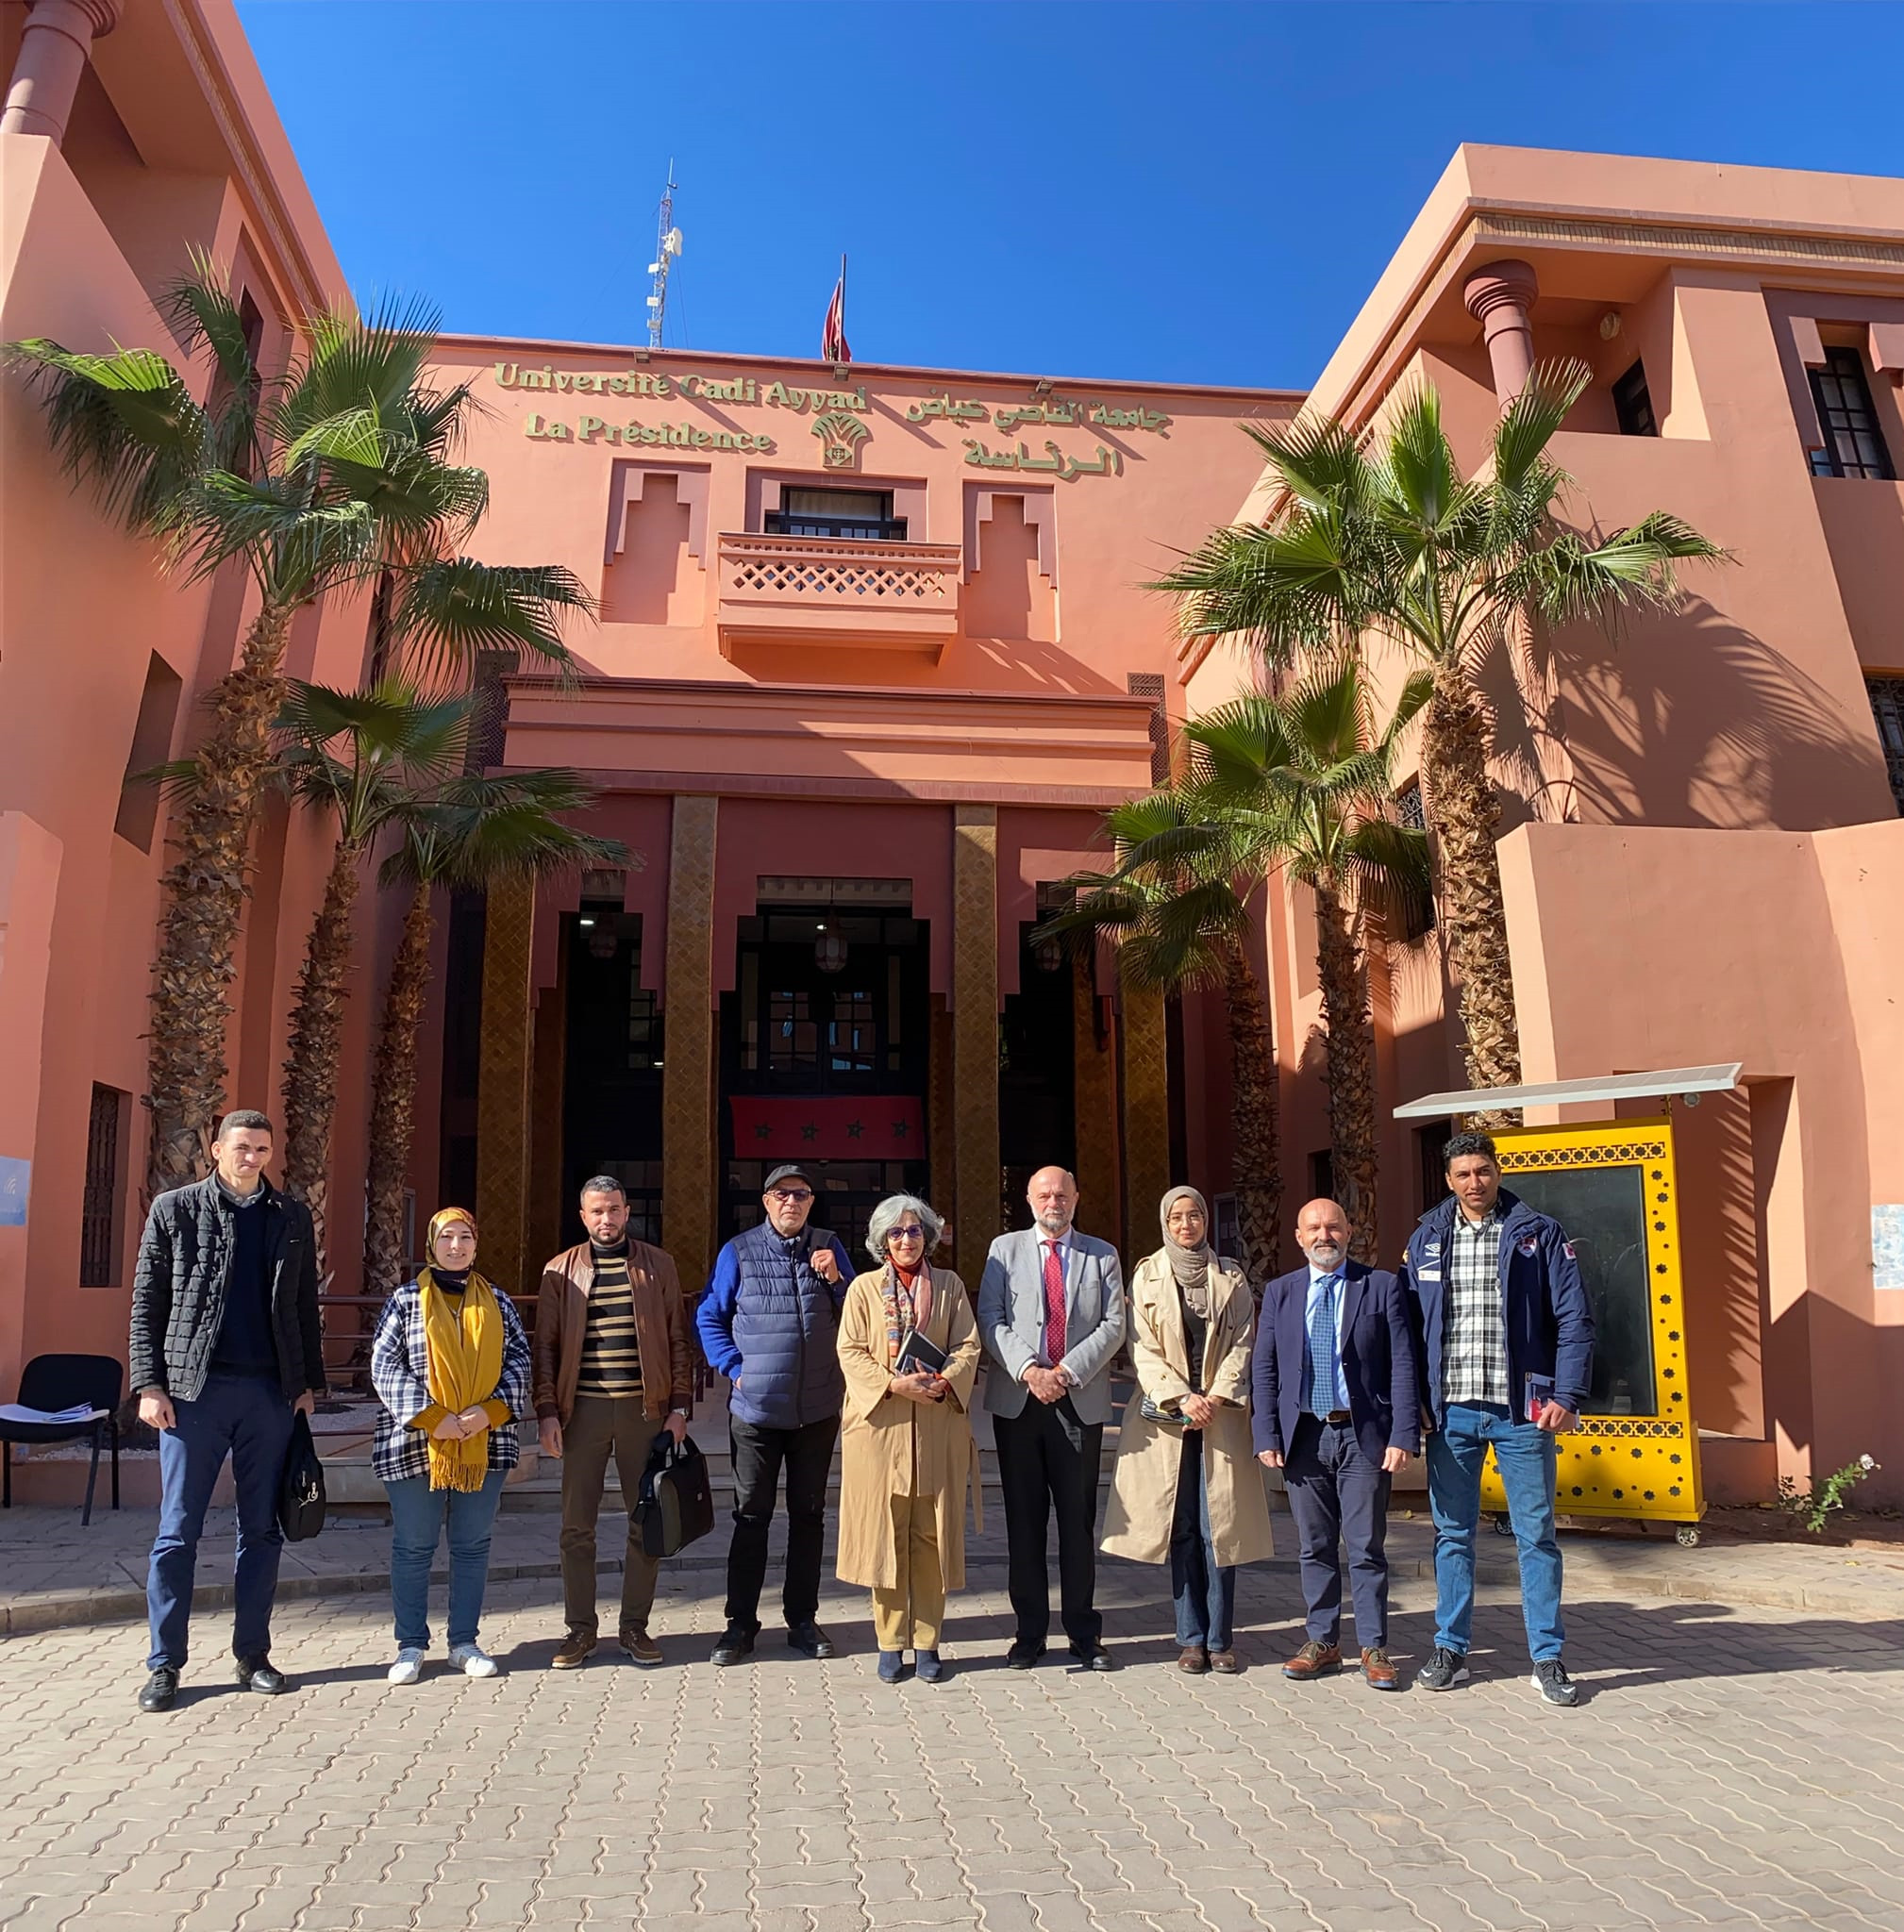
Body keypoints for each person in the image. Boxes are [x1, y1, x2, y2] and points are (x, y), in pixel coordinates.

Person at [128, 1109, 325, 1713]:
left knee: (261, 1529)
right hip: (194, 1395)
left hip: (269, 1394)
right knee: (177, 1531)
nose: (252, 1158)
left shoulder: (290, 1216)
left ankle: (253, 1656)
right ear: (216, 1150)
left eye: (262, 1149)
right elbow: (147, 1301)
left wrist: (306, 1385)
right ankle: (165, 1664)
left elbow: (303, 1304)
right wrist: (149, 1384)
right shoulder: (175, 1209)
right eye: (241, 1147)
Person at [1401, 1131, 1595, 1707]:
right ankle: (1450, 1648)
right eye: (1463, 1174)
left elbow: (1574, 1319)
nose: (1474, 1182)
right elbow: (1406, 1329)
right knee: (1452, 1536)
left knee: (1537, 1536)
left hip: (1522, 1415)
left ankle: (1547, 1657)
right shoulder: (1426, 1239)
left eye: (1483, 1170)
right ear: (1448, 1180)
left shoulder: (1539, 1233)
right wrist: (1414, 1403)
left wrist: (1567, 1394)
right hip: (1452, 1413)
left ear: (1498, 1171)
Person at [1103, 1186, 1272, 1674]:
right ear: (1165, 1223)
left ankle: (1220, 1640)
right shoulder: (1147, 1276)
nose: (1186, 1225)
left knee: (1220, 1530)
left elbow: (1244, 1342)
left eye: (1194, 1215)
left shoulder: (1231, 1277)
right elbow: (1141, 1347)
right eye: (1176, 1217)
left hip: (1220, 1415)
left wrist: (1215, 1396)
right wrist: (1182, 1397)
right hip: (1168, 1419)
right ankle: (1191, 1639)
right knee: (1181, 1528)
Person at [1253, 1197, 1419, 1690]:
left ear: (1349, 1233)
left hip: (1363, 1436)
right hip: (1304, 1437)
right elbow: (1265, 1368)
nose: (1324, 1236)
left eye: (1333, 1227)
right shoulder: (1281, 1292)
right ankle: (1322, 1641)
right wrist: (1266, 1433)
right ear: (1299, 1238)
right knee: (1315, 1546)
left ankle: (1374, 1646)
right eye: (1314, 1229)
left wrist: (1403, 1434)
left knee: (1366, 1546)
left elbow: (1403, 1363)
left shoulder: (1381, 1286)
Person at [696, 1162, 854, 1665]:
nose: (791, 1202)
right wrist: (734, 1368)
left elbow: (861, 1314)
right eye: (781, 1194)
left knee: (809, 1516)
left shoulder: (829, 1246)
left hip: (817, 1410)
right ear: (766, 1201)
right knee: (752, 1517)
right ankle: (740, 1624)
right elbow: (710, 1315)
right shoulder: (739, 1251)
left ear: (811, 1203)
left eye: (801, 1194)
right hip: (756, 1412)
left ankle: (802, 1619)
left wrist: (836, 1279)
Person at [533, 1175, 692, 1669]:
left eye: (615, 1209)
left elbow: (678, 1339)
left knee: (645, 1522)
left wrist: (679, 1408)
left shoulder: (658, 1265)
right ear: (583, 1216)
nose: (607, 1219)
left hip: (644, 1412)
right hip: (582, 1412)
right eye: (597, 1211)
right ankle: (580, 1631)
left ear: (627, 1212)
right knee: (576, 1527)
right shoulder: (559, 1270)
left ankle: (634, 1627)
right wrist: (546, 1412)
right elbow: (545, 1348)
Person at [369, 1207, 532, 1682]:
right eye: (446, 1237)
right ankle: (410, 1646)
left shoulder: (498, 1302)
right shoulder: (405, 1301)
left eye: (465, 1237)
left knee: (472, 1545)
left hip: (485, 1441)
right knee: (414, 1546)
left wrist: (490, 1411)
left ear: (476, 1245)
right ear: (431, 1245)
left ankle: (464, 1642)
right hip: (416, 1443)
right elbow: (385, 1364)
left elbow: (520, 1362)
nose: (456, 1246)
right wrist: (432, 1418)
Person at [977, 1165, 1127, 1671]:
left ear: (1076, 1198)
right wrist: (1029, 1369)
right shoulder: (1003, 1250)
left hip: (1077, 1401)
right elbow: (990, 1319)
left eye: (1061, 1195)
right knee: (1024, 1522)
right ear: (1028, 1199)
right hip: (1020, 1402)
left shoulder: (1102, 1255)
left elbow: (1114, 1324)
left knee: (1077, 1522)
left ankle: (1083, 1632)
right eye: (1044, 1195)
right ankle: (1029, 1634)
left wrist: (1064, 1372)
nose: (1053, 1203)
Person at [835, 1194, 981, 1684]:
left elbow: (967, 1345)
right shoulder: (862, 1289)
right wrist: (893, 1384)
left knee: (931, 1536)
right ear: (881, 1240)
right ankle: (890, 1642)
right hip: (881, 1430)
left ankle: (928, 1642)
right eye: (895, 1232)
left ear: (928, 1236)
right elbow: (850, 1350)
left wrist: (944, 1381)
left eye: (914, 1231)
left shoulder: (949, 1286)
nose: (905, 1240)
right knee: (887, 1538)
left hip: (936, 1426)